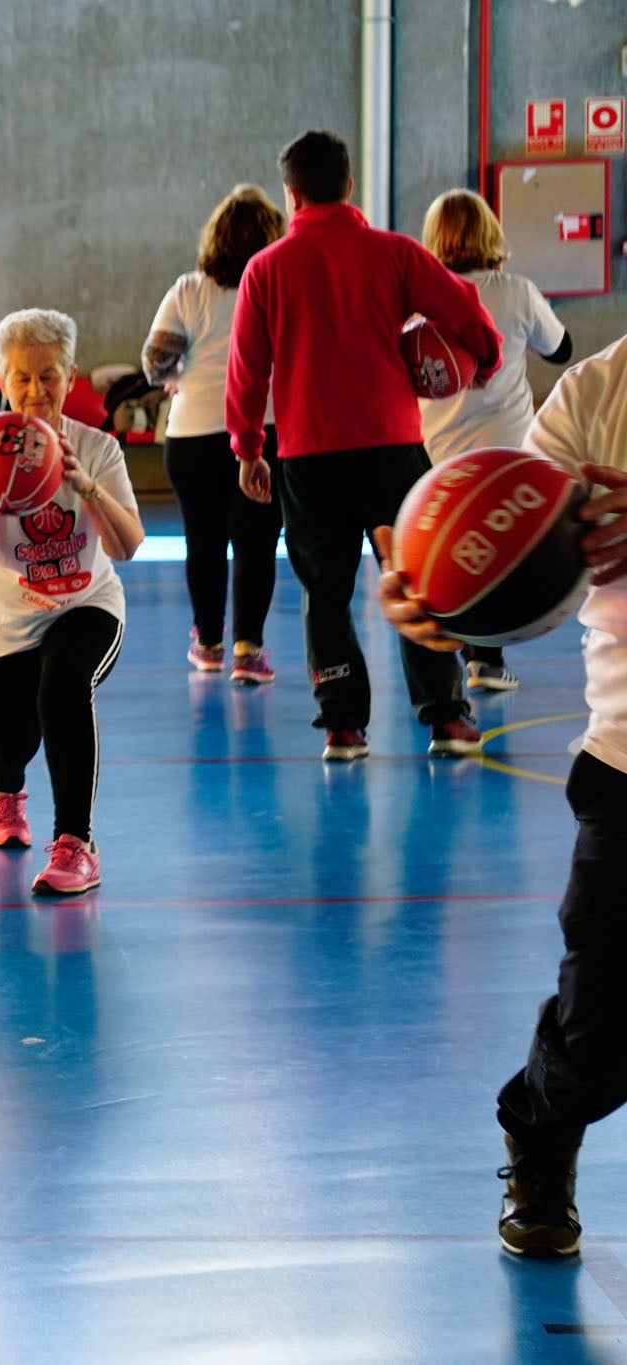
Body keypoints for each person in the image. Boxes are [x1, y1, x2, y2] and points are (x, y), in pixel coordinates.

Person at [374, 329, 627, 1260]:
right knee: (599, 1032)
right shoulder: (599, 394)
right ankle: (541, 1123)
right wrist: (433, 598)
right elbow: (503, 543)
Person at [226, 130, 502, 761]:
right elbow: (464, 306)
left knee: (325, 593)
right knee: (419, 579)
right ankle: (447, 718)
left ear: (291, 196)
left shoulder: (265, 270)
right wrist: (483, 358)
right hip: (391, 452)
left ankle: (343, 727)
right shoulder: (395, 253)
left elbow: (248, 370)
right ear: (350, 185)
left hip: (307, 457)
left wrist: (248, 449)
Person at [0, 309, 144, 896]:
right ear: (2, 381)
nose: (36, 390)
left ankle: (76, 844)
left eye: (49, 375)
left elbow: (128, 545)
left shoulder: (98, 448)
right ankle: (6, 792)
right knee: (8, 749)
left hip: (86, 604)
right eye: (22, 377)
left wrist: (88, 488)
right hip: (1, 623)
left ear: (71, 376)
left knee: (63, 685)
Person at [418, 188, 574, 693]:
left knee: (445, 558)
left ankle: (448, 666)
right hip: (507, 449)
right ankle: (486, 658)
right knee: (498, 557)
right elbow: (561, 348)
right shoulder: (517, 290)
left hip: (435, 449)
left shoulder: (417, 299)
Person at [143, 185, 287, 685]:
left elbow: (154, 361)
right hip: (264, 429)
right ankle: (249, 650)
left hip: (192, 432)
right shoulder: (280, 285)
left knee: (201, 542)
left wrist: (174, 378)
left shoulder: (189, 289)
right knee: (257, 543)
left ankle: (208, 643)